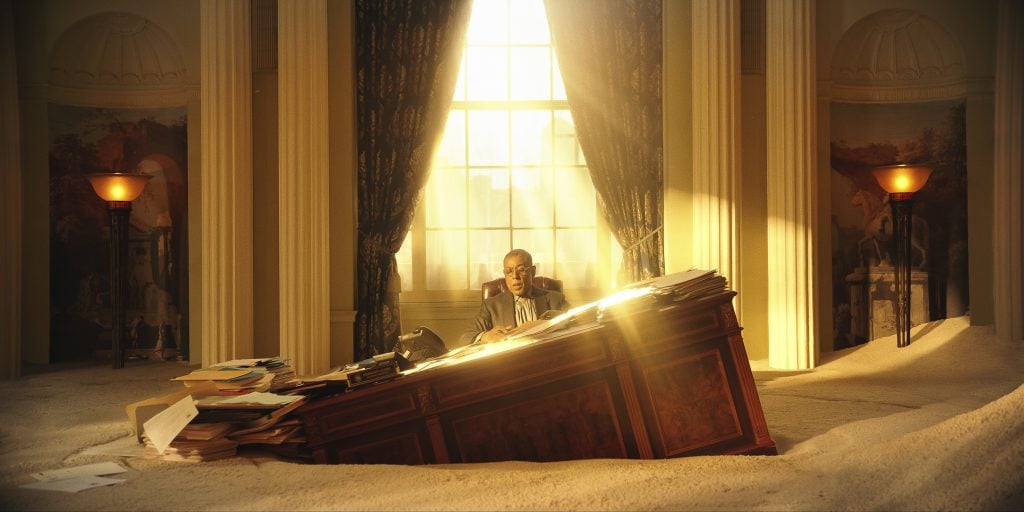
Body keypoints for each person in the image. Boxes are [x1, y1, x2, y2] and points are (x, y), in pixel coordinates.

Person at [458, 249, 571, 345]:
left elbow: (580, 322)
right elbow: (465, 338)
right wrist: (486, 336)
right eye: (509, 271)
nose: (515, 276)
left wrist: (555, 321)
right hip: (509, 364)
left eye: (521, 270)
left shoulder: (555, 299)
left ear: (532, 271)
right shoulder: (492, 305)